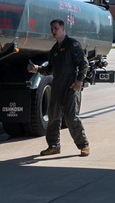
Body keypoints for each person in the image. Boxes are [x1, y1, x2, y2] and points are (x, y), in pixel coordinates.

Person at [27, 19, 90, 156]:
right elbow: (50, 69)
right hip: (57, 86)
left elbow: (84, 64)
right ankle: (54, 146)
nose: (53, 31)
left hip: (71, 86)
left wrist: (79, 81)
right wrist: (37, 69)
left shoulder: (72, 44)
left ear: (63, 29)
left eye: (56, 28)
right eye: (52, 29)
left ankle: (83, 145)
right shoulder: (54, 50)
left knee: (71, 117)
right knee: (54, 117)